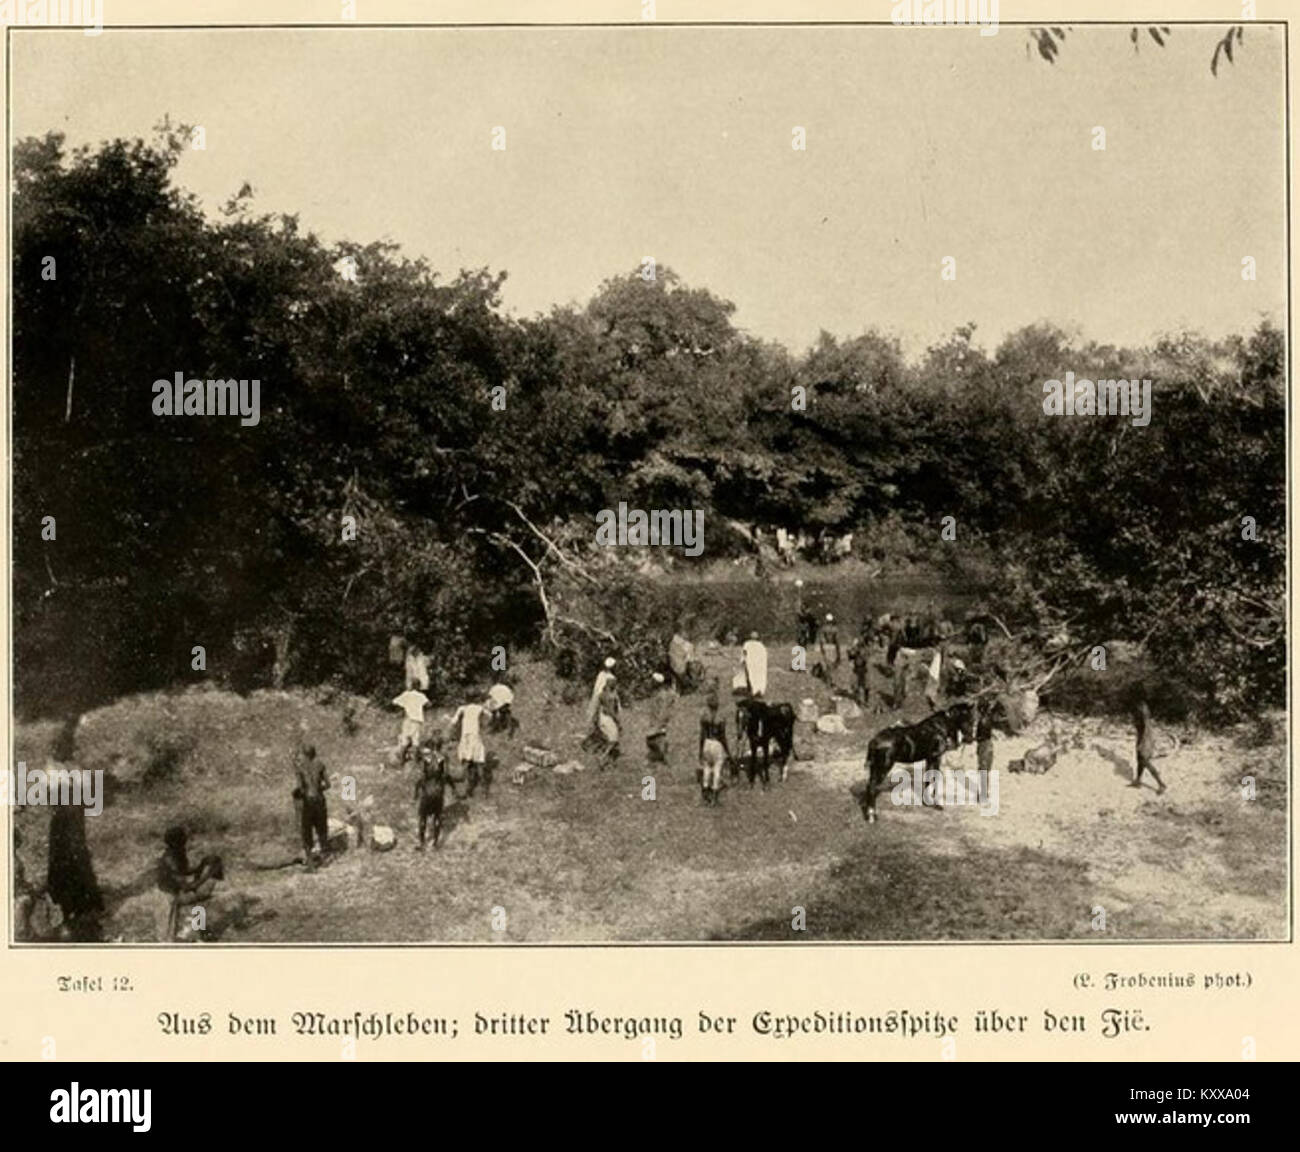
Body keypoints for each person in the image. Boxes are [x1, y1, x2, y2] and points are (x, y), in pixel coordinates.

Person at [155, 825, 220, 941]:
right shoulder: (170, 859)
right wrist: (208, 874)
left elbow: (184, 872)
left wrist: (201, 865)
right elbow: (187, 886)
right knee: (166, 938)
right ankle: (200, 931)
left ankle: (200, 930)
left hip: (175, 893)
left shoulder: (177, 853)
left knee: (198, 902)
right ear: (176, 842)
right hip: (166, 897)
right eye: (183, 840)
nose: (185, 843)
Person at [292, 743, 331, 871]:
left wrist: (297, 794)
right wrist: (319, 789)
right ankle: (325, 859)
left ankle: (311, 864)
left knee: (307, 831)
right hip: (320, 800)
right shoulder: (320, 764)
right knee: (322, 829)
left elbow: (300, 788)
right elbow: (328, 784)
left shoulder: (300, 767)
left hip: (308, 802)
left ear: (305, 755)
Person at [414, 736, 449, 850]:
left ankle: (422, 842)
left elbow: (421, 777)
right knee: (437, 816)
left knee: (422, 816)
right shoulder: (442, 758)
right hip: (438, 791)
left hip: (427, 791)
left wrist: (416, 792)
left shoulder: (426, 758)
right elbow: (445, 775)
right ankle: (435, 843)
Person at [698, 690, 731, 806]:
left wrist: (700, 749)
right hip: (717, 744)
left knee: (706, 768)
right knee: (717, 770)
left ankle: (705, 793)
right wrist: (728, 752)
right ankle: (715, 795)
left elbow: (701, 735)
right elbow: (723, 736)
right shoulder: (720, 718)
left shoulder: (704, 717)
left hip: (707, 743)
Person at [452, 696, 489, 794]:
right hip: (475, 736)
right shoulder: (479, 708)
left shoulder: (462, 709)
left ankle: (465, 786)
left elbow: (453, 721)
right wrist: (481, 722)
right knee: (479, 763)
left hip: (465, 737)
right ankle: (484, 790)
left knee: (466, 762)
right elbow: (489, 715)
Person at [1131, 696, 1167, 794]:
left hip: (1145, 740)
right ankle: (1138, 781)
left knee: (1145, 762)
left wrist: (1141, 744)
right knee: (1140, 760)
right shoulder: (1143, 712)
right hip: (1144, 739)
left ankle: (1161, 784)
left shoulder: (1142, 716)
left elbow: (1145, 732)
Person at [392, 687, 430, 763]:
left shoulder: (406, 694)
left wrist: (405, 706)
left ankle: (402, 761)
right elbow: (429, 704)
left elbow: (394, 702)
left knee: (405, 741)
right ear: (418, 686)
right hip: (416, 720)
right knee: (415, 742)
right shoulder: (420, 696)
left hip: (407, 719)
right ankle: (415, 763)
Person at [594, 674, 622, 769]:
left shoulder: (602, 694)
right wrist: (618, 722)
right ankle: (603, 757)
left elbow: (598, 708)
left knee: (610, 739)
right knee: (613, 740)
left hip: (602, 717)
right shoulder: (610, 696)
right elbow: (611, 711)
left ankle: (611, 761)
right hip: (608, 718)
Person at [646, 672, 673, 764]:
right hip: (655, 720)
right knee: (654, 740)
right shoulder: (656, 694)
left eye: (652, 681)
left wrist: (660, 723)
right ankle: (658, 758)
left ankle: (663, 758)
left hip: (659, 721)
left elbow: (664, 711)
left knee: (655, 739)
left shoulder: (662, 695)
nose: (650, 682)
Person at [741, 631, 768, 698]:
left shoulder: (748, 644)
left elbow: (744, 653)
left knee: (752, 676)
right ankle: (757, 691)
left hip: (753, 663)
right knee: (757, 677)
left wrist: (743, 660)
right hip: (756, 663)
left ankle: (755, 691)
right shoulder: (761, 645)